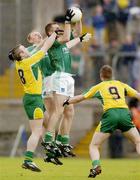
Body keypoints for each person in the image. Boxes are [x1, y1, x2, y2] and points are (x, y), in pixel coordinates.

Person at [63, 65, 140, 178]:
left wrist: (67, 101)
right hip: (124, 113)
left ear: (101, 76)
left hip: (110, 115)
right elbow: (138, 95)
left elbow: (81, 97)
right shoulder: (120, 84)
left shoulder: (99, 87)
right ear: (112, 75)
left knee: (94, 145)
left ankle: (96, 166)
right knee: (138, 141)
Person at [8, 32, 57, 172]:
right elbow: (43, 48)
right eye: (24, 50)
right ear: (22, 55)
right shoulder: (28, 62)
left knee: (46, 125)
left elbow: (37, 47)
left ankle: (51, 151)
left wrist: (48, 37)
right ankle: (28, 160)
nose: (27, 50)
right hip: (33, 99)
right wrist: (54, 35)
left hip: (34, 98)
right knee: (37, 132)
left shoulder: (20, 62)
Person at [43, 11, 83, 158]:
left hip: (67, 78)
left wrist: (78, 19)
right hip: (59, 77)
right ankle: (48, 139)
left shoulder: (62, 41)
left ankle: (62, 141)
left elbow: (77, 33)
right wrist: (67, 20)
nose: (58, 29)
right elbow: (67, 36)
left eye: (59, 27)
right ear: (49, 33)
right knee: (58, 111)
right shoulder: (53, 41)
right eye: (55, 28)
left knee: (69, 112)